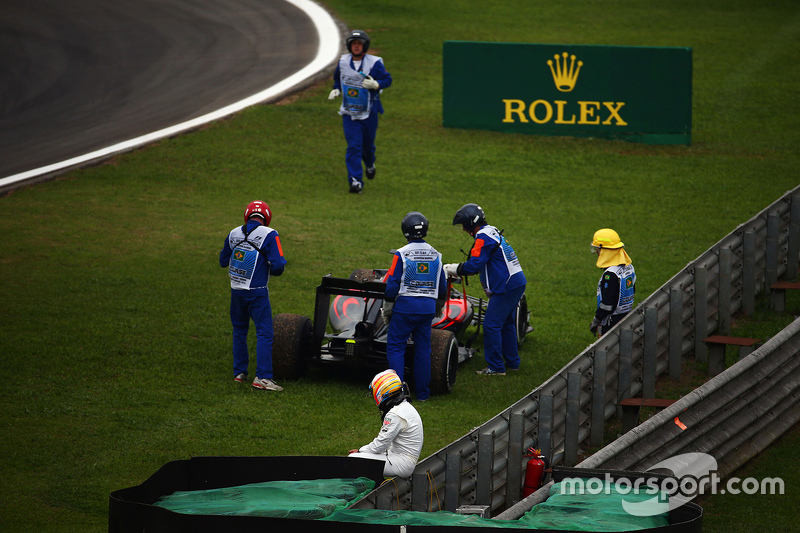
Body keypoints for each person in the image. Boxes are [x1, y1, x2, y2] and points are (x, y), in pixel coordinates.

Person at [444, 203, 526, 376]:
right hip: (516, 281)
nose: (464, 230)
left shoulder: (482, 237)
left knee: (491, 325)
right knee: (507, 324)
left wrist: (454, 269)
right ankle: (513, 363)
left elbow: (474, 265)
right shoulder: (491, 230)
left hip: (507, 285)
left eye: (464, 226)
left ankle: (496, 368)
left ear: (471, 224)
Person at [219, 200, 287, 391]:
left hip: (236, 292)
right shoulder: (269, 234)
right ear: (267, 217)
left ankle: (240, 373)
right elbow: (279, 265)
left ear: (247, 215)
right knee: (264, 333)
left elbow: (223, 261)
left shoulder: (233, 233)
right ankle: (263, 377)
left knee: (239, 331)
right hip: (257, 293)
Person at [381, 212, 447, 401]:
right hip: (426, 309)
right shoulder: (437, 254)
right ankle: (423, 395)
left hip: (405, 308)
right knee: (423, 350)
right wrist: (438, 306)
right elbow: (442, 286)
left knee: (396, 348)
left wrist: (388, 308)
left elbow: (392, 284)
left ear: (405, 231)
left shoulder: (401, 253)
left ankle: (396, 394)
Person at [328, 29, 392, 194]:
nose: (356, 47)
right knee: (354, 146)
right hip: (349, 113)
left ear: (364, 46)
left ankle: (370, 163)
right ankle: (355, 181)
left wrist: (376, 85)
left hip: (369, 113)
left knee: (367, 146)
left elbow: (387, 80)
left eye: (359, 44)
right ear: (350, 45)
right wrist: (336, 89)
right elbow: (337, 79)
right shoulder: (343, 62)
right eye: (354, 44)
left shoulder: (374, 63)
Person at [348, 370, 424, 478]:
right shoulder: (405, 407)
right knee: (361, 457)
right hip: (402, 458)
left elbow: (380, 445)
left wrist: (360, 451)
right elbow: (385, 444)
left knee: (353, 459)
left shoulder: (395, 414)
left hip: (402, 463)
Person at [590, 228, 636, 337]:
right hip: (627, 317)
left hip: (611, 323)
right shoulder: (629, 267)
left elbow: (607, 304)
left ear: (605, 250)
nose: (597, 252)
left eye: (598, 249)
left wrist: (596, 320)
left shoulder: (610, 275)